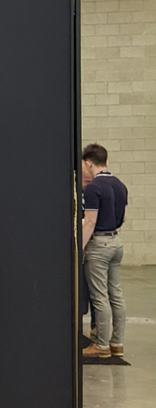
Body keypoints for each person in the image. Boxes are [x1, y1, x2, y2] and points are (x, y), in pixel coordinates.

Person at [80, 143, 129, 359]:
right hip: (116, 242)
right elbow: (124, 217)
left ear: (88, 163)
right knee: (115, 294)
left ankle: (100, 345)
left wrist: (77, 249)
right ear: (106, 162)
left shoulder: (93, 189)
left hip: (99, 245)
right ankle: (116, 342)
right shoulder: (120, 185)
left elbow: (89, 223)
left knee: (99, 296)